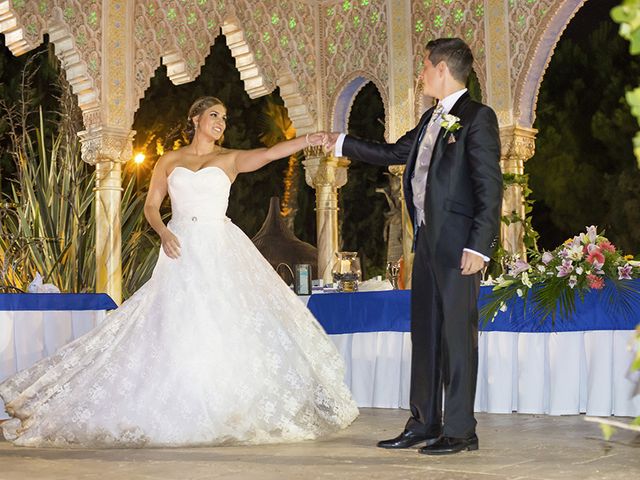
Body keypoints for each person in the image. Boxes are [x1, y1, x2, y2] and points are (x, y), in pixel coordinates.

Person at [0, 96, 358, 448]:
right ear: (196, 118)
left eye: (225, 118)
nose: (221, 122)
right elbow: (152, 206)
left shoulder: (229, 159)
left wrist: (309, 140)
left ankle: (223, 405)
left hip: (219, 246)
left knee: (219, 319)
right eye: (214, 115)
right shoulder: (169, 160)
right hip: (180, 245)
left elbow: (269, 154)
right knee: (177, 319)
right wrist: (165, 232)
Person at [324, 38, 502, 455]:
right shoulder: (429, 119)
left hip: (461, 248)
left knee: (458, 338)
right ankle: (424, 422)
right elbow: (393, 153)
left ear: (441, 69)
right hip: (426, 242)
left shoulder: (478, 117)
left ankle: (460, 431)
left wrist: (480, 246)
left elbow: (489, 186)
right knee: (425, 336)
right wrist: (339, 142)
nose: (421, 73)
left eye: (424, 66)